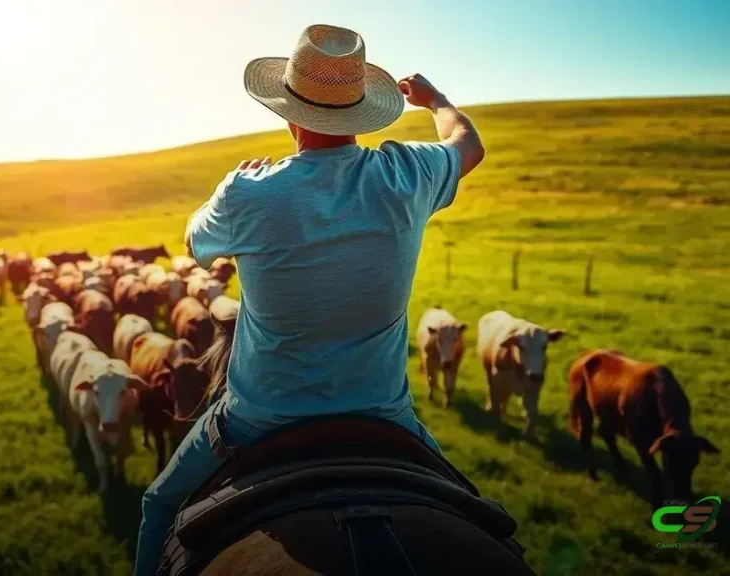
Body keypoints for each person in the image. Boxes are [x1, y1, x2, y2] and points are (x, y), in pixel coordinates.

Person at [135, 24, 485, 575]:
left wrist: (234, 187)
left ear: (288, 113)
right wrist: (436, 100)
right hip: (386, 414)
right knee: (480, 518)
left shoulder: (249, 191)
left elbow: (192, 242)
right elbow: (468, 144)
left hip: (257, 420)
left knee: (157, 504)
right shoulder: (407, 172)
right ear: (361, 109)